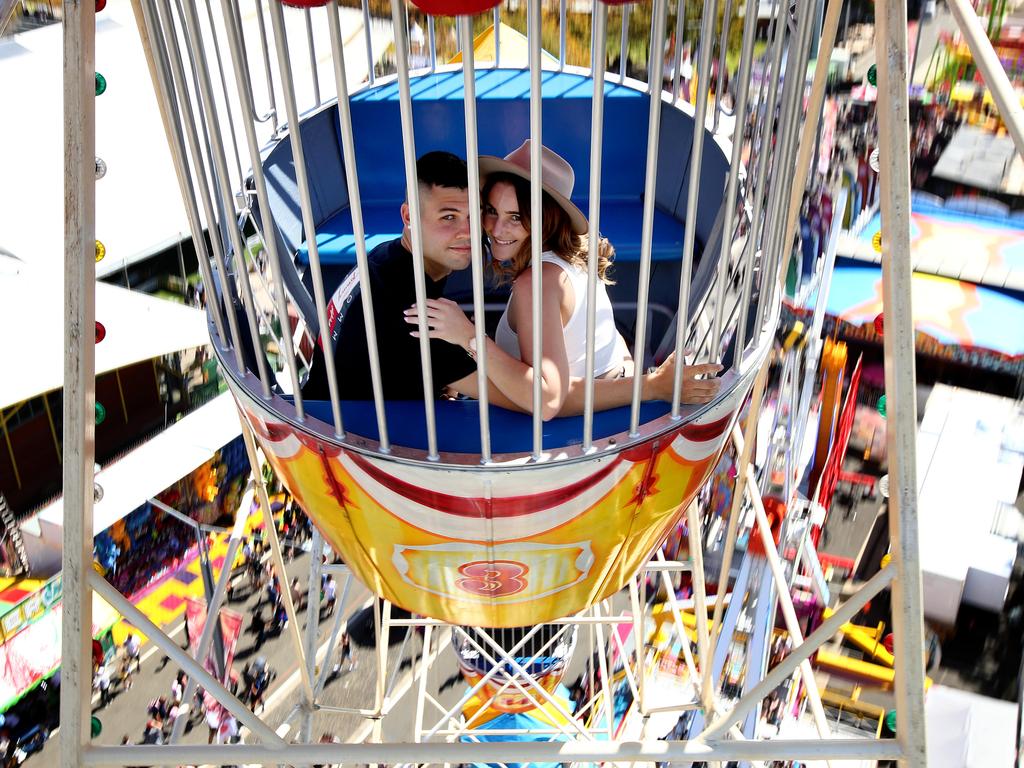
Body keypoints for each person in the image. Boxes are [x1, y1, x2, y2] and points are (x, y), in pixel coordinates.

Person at [303, 150, 721, 413]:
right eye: (452, 217)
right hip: (344, 440)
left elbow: (543, 400)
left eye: (513, 217)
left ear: (544, 221)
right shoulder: (564, 261)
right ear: (409, 216)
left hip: (323, 414)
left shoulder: (380, 259)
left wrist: (644, 387)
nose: (478, 231)